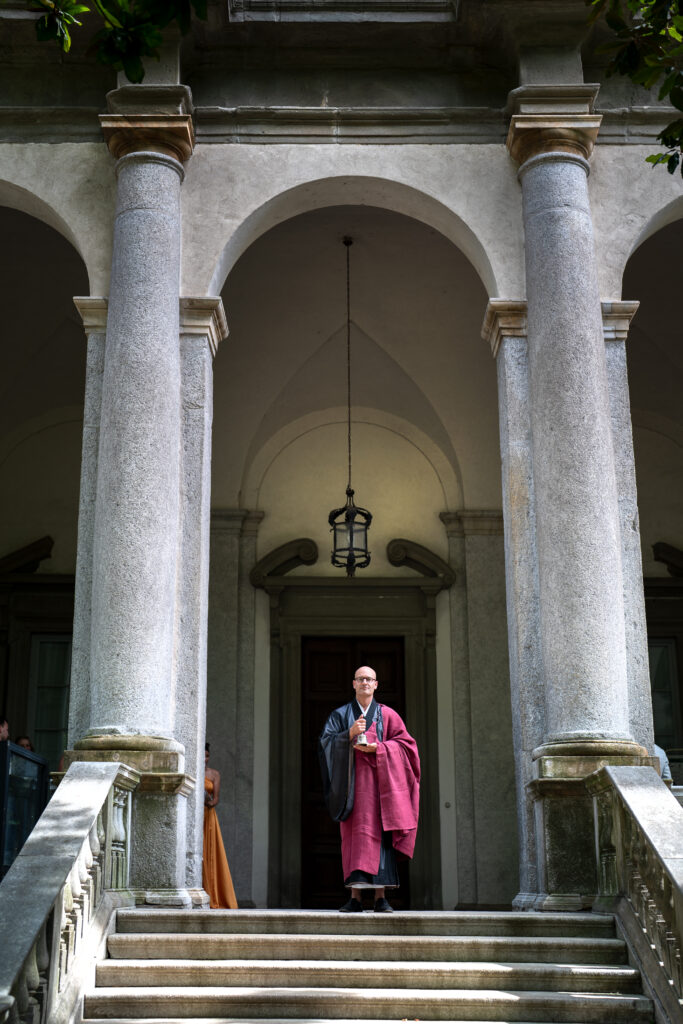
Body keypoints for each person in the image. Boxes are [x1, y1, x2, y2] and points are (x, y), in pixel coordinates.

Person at [318, 665, 420, 913]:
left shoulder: (388, 715)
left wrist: (380, 749)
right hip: (352, 788)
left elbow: (407, 746)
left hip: (381, 789)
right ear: (353, 683)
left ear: (376, 685)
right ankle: (354, 897)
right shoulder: (340, 715)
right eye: (360, 679)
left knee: (381, 839)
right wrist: (348, 734)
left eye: (369, 679)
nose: (365, 682)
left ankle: (381, 898)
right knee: (354, 838)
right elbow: (325, 744)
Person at [203, 742, 238, 909]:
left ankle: (215, 895)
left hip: (207, 815)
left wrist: (208, 802)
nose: (204, 759)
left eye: (207, 756)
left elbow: (216, 799)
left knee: (210, 852)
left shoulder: (214, 774)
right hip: (195, 815)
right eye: (202, 755)